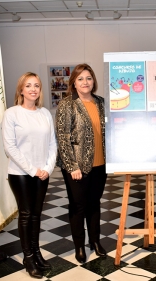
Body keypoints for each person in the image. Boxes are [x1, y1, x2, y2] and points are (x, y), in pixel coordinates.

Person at [2, 72, 57, 279]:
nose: (33, 89)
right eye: (28, 85)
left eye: (36, 85)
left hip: (42, 173)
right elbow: (10, 148)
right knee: (26, 214)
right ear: (21, 90)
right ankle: (28, 257)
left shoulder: (44, 114)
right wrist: (33, 170)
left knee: (36, 214)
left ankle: (36, 252)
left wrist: (48, 168)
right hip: (20, 173)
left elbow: (52, 144)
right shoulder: (12, 114)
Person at [55, 64, 107, 264]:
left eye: (89, 78)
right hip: (76, 166)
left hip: (100, 164)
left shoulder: (101, 102)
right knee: (78, 206)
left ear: (93, 81)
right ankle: (79, 246)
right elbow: (63, 137)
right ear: (73, 83)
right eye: (81, 79)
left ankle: (95, 242)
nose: (85, 82)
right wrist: (72, 166)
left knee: (94, 204)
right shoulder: (67, 105)